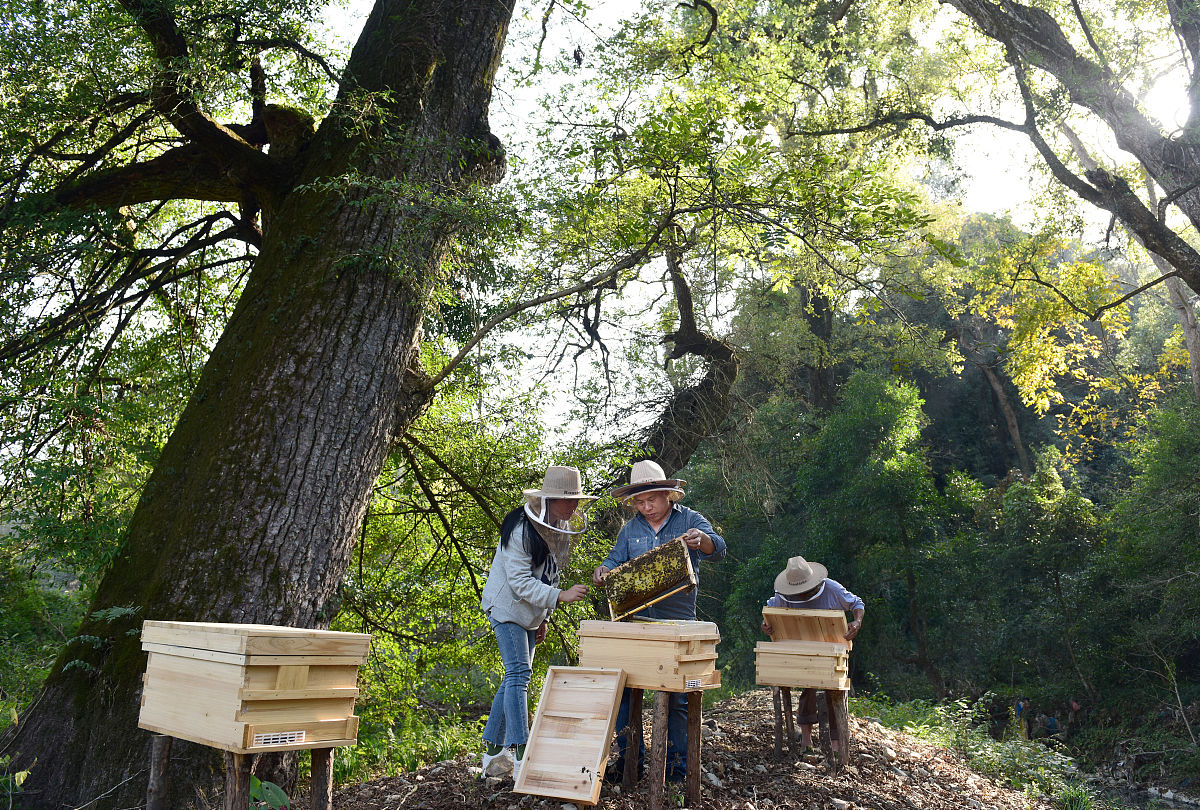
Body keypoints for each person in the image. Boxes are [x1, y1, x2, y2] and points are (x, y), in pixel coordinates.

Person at [592, 460, 727, 783]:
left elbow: (718, 549)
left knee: (679, 698)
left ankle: (677, 771)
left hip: (678, 622)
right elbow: (613, 560)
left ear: (669, 495)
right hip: (636, 623)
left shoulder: (691, 519)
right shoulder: (630, 530)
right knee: (626, 695)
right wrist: (603, 570)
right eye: (639, 501)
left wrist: (701, 540)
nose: (645, 506)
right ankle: (629, 765)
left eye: (651, 499)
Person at [479, 465, 597, 779]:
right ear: (547, 499)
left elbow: (549, 576)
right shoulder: (520, 529)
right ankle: (521, 750)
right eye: (566, 500)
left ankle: (491, 753)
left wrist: (544, 616)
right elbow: (519, 583)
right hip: (505, 608)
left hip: (531, 613)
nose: (573, 507)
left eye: (576, 500)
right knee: (520, 673)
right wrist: (560, 596)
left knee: (513, 677)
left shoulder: (561, 530)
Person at [760, 555, 864, 753]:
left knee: (833, 692)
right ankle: (806, 739)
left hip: (832, 651)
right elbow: (769, 613)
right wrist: (766, 625)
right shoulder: (783, 595)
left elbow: (857, 604)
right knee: (807, 687)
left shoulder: (832, 589)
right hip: (801, 651)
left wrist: (856, 623)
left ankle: (835, 744)